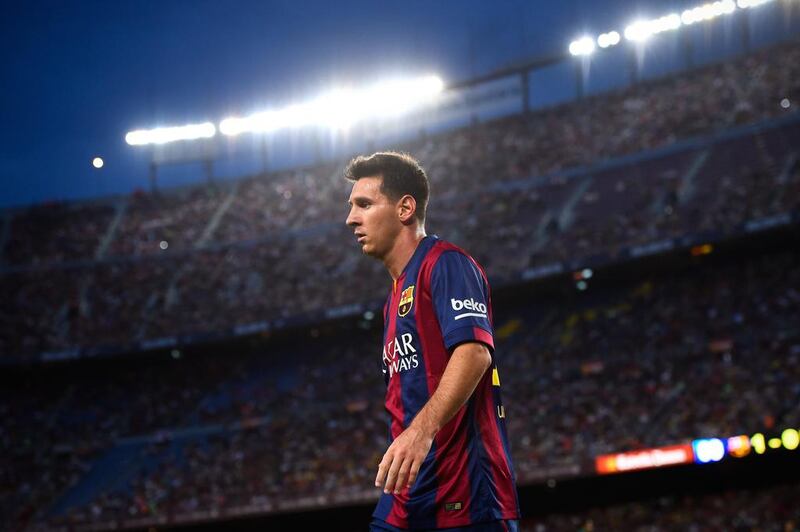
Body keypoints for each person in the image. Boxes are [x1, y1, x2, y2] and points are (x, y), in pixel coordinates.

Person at [345, 152, 520, 531]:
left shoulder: (446, 264)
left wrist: (420, 433)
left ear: (405, 207)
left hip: (464, 496)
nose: (351, 218)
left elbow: (474, 353)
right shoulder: (394, 297)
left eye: (364, 204)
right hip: (409, 492)